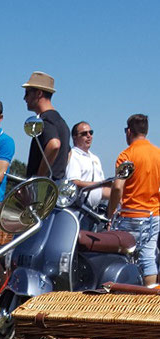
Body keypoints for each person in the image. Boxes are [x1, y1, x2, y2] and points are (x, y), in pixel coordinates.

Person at [107, 113, 160, 286]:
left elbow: (117, 187)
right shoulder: (157, 154)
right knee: (148, 258)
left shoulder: (126, 156)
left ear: (129, 131)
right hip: (153, 215)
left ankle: (125, 296)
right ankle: (150, 299)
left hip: (130, 215)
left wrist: (111, 212)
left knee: (122, 257)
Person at [23, 71, 70, 180]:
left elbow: (54, 144)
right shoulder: (61, 122)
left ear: (39, 93)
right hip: (55, 189)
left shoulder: (45, 120)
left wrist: (38, 179)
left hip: (43, 193)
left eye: (27, 93)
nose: (24, 98)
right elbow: (68, 153)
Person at [66, 122, 109, 210]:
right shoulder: (73, 155)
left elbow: (102, 189)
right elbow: (74, 183)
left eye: (91, 132)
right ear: (74, 137)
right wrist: (100, 184)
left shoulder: (95, 158)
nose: (89, 136)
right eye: (84, 134)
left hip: (94, 212)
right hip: (78, 210)